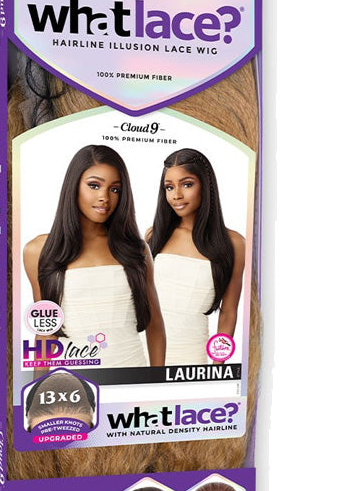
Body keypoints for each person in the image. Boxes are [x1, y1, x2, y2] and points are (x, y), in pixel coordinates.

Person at [24, 144, 165, 369]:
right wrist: (37, 388)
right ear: (74, 186)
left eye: (115, 189)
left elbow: (155, 324)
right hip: (72, 383)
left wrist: (158, 382)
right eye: (94, 185)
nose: (104, 197)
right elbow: (46, 333)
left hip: (132, 372)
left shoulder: (136, 250)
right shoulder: (38, 251)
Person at [147, 148, 245, 365]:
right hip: (144, 355)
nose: (176, 195)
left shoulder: (234, 243)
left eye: (187, 184)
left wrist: (217, 367)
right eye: (169, 187)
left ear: (206, 185)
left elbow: (228, 313)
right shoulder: (154, 236)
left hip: (191, 358)